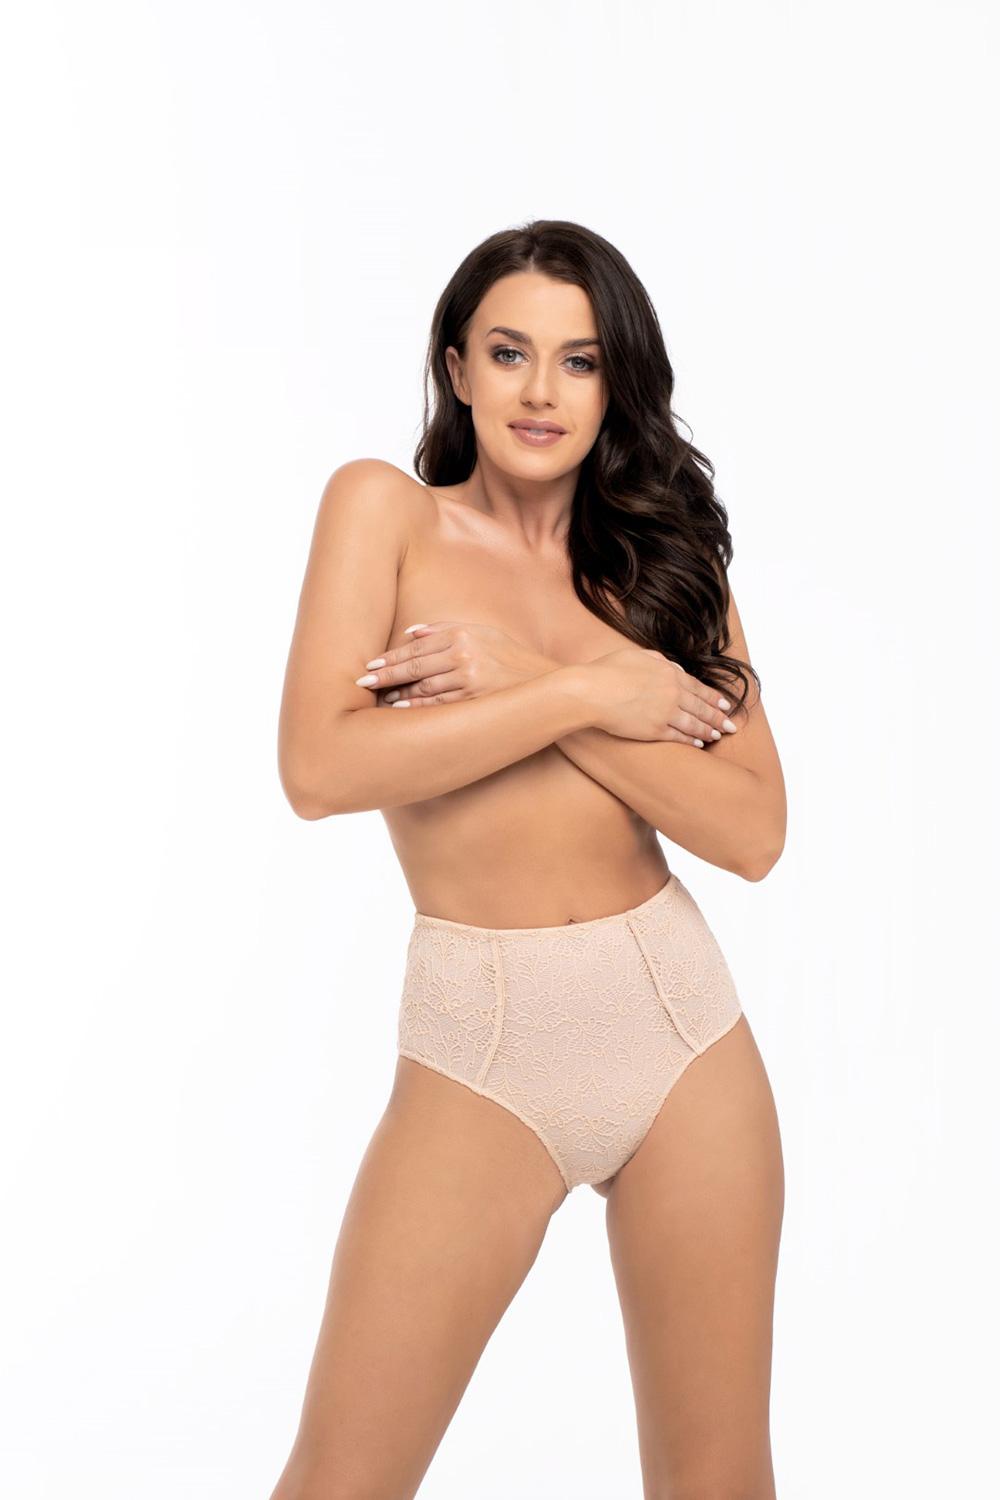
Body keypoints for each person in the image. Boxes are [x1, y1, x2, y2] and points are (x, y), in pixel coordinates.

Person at [270, 219, 786, 1500]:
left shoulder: (664, 557)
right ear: (457, 368)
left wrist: (540, 679)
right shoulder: (384, 512)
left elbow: (752, 832)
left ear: (615, 384)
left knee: (720, 1479)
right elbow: (319, 770)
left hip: (681, 1025)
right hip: (484, 1042)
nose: (541, 391)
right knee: (342, 1479)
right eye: (509, 353)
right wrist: (583, 693)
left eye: (579, 360)